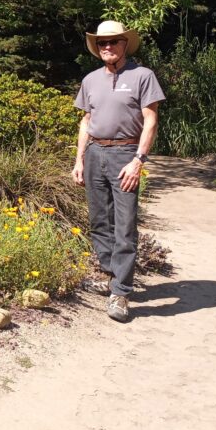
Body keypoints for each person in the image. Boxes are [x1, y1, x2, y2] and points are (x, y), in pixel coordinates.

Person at [72, 20, 165, 322]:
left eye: (113, 42)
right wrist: (79, 160)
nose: (107, 47)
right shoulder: (90, 80)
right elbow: (86, 121)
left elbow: (150, 120)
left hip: (126, 153)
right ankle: (111, 274)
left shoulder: (142, 76)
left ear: (125, 44)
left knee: (124, 226)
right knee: (99, 221)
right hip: (95, 153)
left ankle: (121, 293)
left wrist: (139, 160)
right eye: (102, 43)